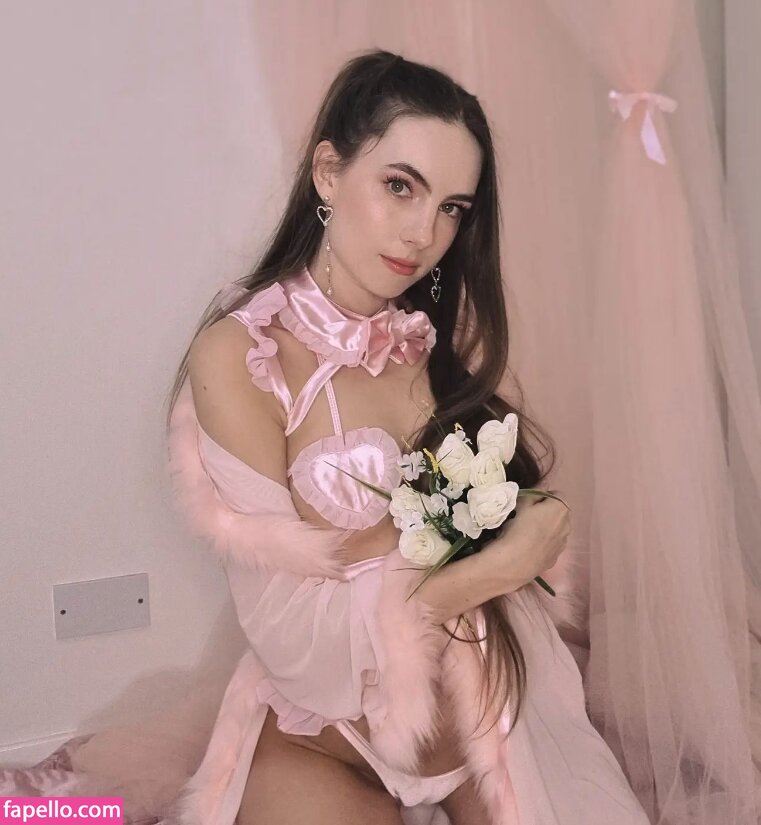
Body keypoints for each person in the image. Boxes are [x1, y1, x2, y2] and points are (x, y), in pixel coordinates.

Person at [160, 49, 649, 825]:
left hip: (482, 719)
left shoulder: (433, 342)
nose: (424, 232)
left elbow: (499, 514)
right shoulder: (243, 355)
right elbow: (286, 629)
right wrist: (482, 572)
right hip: (325, 733)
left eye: (452, 207)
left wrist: (534, 521)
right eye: (399, 186)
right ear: (328, 173)